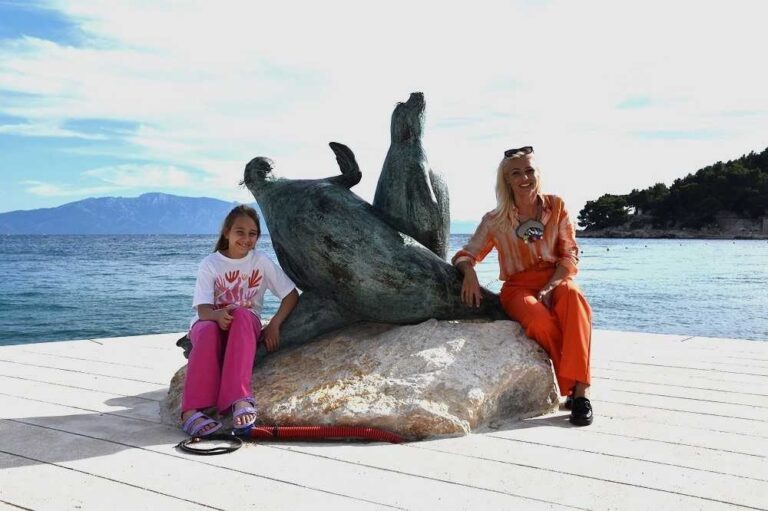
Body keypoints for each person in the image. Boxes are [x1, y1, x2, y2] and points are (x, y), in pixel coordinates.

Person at [452, 146, 593, 426]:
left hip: (556, 277)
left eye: (529, 170)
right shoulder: (495, 219)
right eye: (516, 173)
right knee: (540, 321)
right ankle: (572, 385)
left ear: (538, 173)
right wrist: (469, 274)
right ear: (507, 180)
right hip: (518, 288)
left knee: (575, 301)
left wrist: (551, 285)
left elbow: (570, 254)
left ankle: (581, 394)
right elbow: (466, 254)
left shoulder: (557, 206)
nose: (524, 178)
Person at [181, 205, 299, 437]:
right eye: (239, 232)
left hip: (244, 326)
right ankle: (190, 410)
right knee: (206, 329)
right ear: (227, 232)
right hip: (210, 322)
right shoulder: (210, 263)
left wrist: (274, 324)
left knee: (244, 314)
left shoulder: (260, 261)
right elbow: (203, 310)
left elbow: (291, 295)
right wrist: (217, 315)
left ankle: (239, 397)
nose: (246, 238)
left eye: (252, 233)